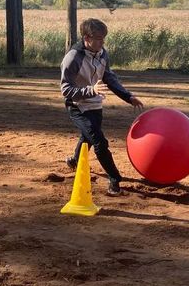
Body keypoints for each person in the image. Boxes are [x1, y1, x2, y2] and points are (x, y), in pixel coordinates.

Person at [61, 18, 144, 195]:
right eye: (98, 38)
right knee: (99, 141)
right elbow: (66, 89)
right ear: (86, 38)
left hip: (96, 105)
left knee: (88, 136)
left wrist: (128, 96)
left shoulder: (102, 53)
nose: (102, 42)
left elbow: (109, 77)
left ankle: (75, 161)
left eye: (103, 38)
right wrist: (91, 90)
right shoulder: (73, 57)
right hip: (77, 107)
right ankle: (115, 181)